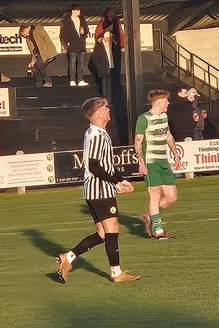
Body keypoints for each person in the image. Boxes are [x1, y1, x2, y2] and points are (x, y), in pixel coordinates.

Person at [55, 96, 139, 284]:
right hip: (100, 189)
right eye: (105, 107)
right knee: (113, 229)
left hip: (97, 189)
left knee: (102, 234)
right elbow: (94, 166)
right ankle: (116, 273)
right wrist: (115, 183)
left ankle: (68, 258)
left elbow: (106, 164)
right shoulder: (96, 135)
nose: (109, 110)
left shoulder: (98, 132)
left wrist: (121, 179)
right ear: (99, 114)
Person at [134, 88, 182, 240]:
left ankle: (149, 216)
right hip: (150, 162)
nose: (168, 103)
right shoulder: (144, 119)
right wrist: (141, 162)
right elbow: (138, 142)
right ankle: (159, 231)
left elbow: (168, 136)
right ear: (159, 102)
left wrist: (175, 154)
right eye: (166, 101)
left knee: (171, 196)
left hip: (163, 162)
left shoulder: (164, 116)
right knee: (155, 195)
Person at [60, 5, 90, 86]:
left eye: (79, 10)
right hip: (72, 45)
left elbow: (87, 29)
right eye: (77, 10)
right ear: (73, 11)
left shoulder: (82, 19)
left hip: (81, 44)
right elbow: (64, 34)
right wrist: (67, 44)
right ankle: (72, 80)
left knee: (80, 64)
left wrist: (84, 31)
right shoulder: (67, 21)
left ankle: (80, 79)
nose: (79, 12)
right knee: (72, 63)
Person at [88, 28, 120, 99]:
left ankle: (112, 100)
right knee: (104, 86)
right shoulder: (99, 47)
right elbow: (95, 59)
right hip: (103, 69)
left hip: (113, 68)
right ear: (104, 38)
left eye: (110, 38)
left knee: (113, 85)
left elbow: (117, 57)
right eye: (107, 38)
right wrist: (99, 69)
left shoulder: (114, 46)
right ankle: (105, 99)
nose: (108, 39)